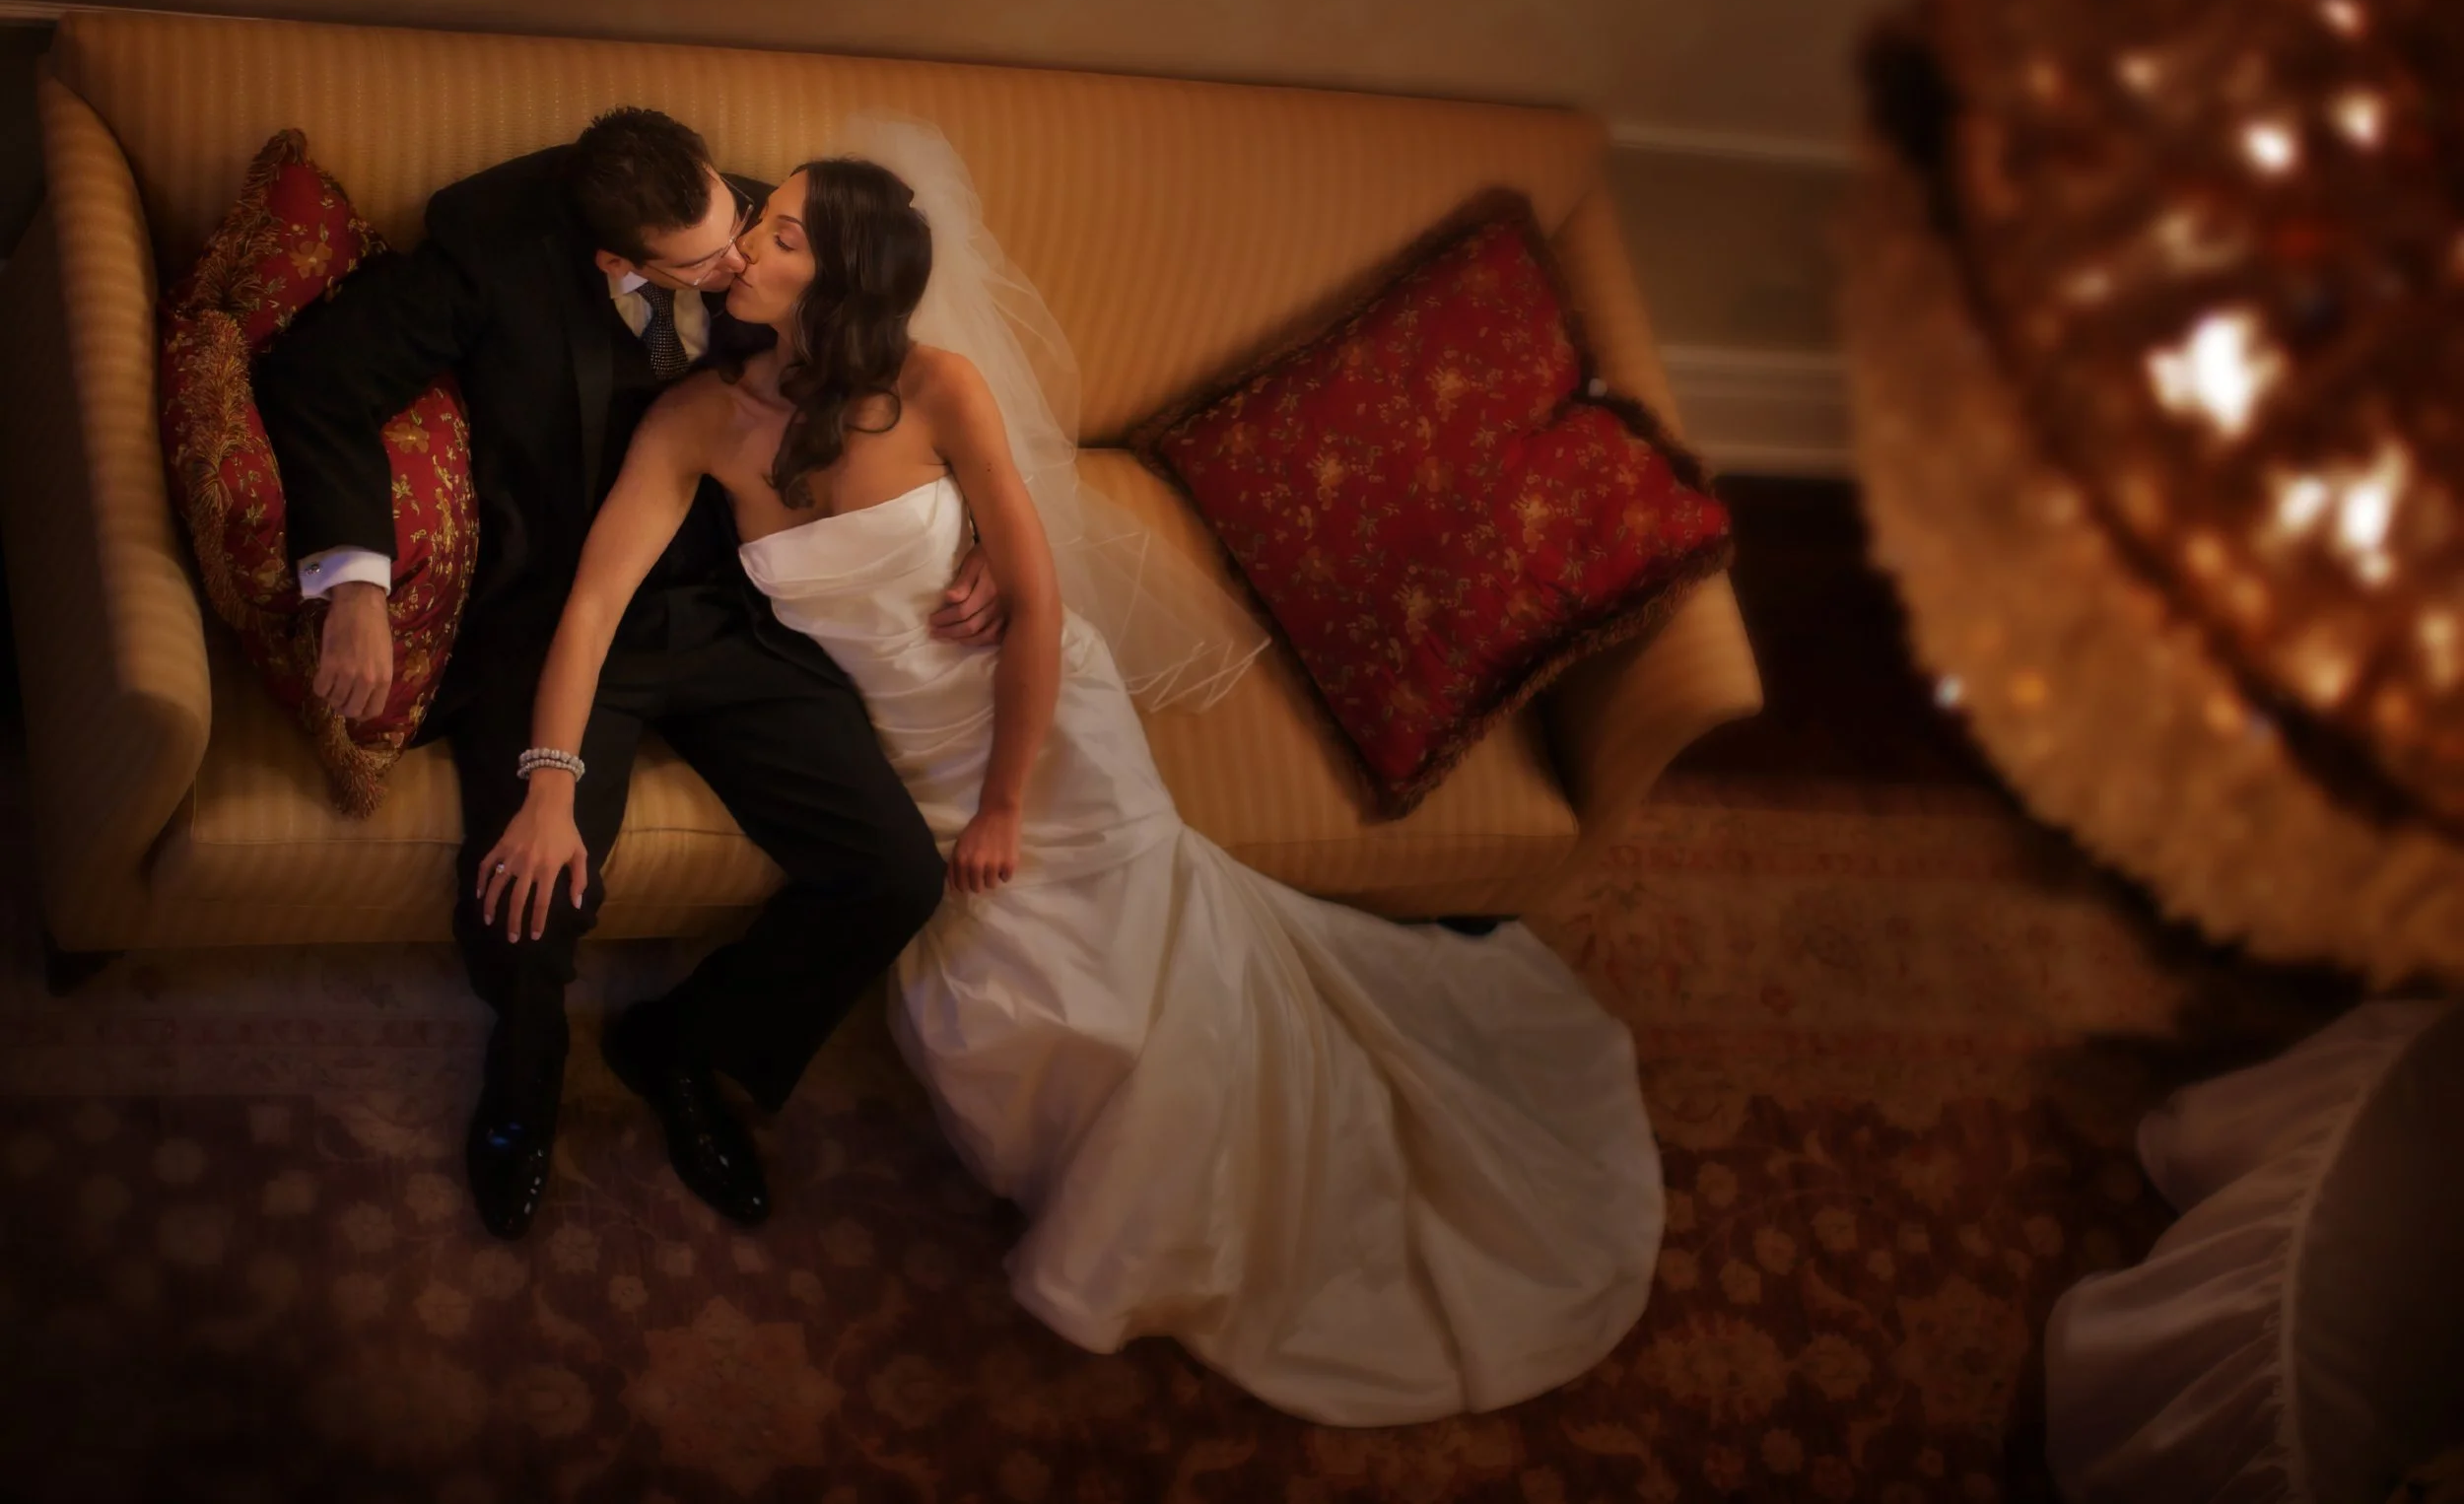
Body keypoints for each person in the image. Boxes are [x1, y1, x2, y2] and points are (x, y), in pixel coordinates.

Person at [478, 115, 1664, 1426]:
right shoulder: (701, 419)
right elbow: (592, 604)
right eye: (758, 224)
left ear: (851, 280)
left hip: (1038, 724)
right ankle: (1037, 1154)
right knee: (1001, 992)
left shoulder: (940, 389)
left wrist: (1002, 800)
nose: (747, 239)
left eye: (782, 232)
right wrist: (546, 780)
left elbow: (1036, 610)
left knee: (1129, 978)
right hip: (897, 738)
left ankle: (1181, 1195)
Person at [252, 109, 1004, 1240]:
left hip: (731, 604)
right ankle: (524, 1076)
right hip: (560, 609)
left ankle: (678, 1045)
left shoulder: (764, 222)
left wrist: (985, 529)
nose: (741, 260)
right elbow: (317, 377)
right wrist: (355, 583)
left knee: (893, 872)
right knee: (528, 886)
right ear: (619, 262)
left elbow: (889, 361)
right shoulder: (487, 247)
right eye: (708, 262)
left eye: (743, 226)